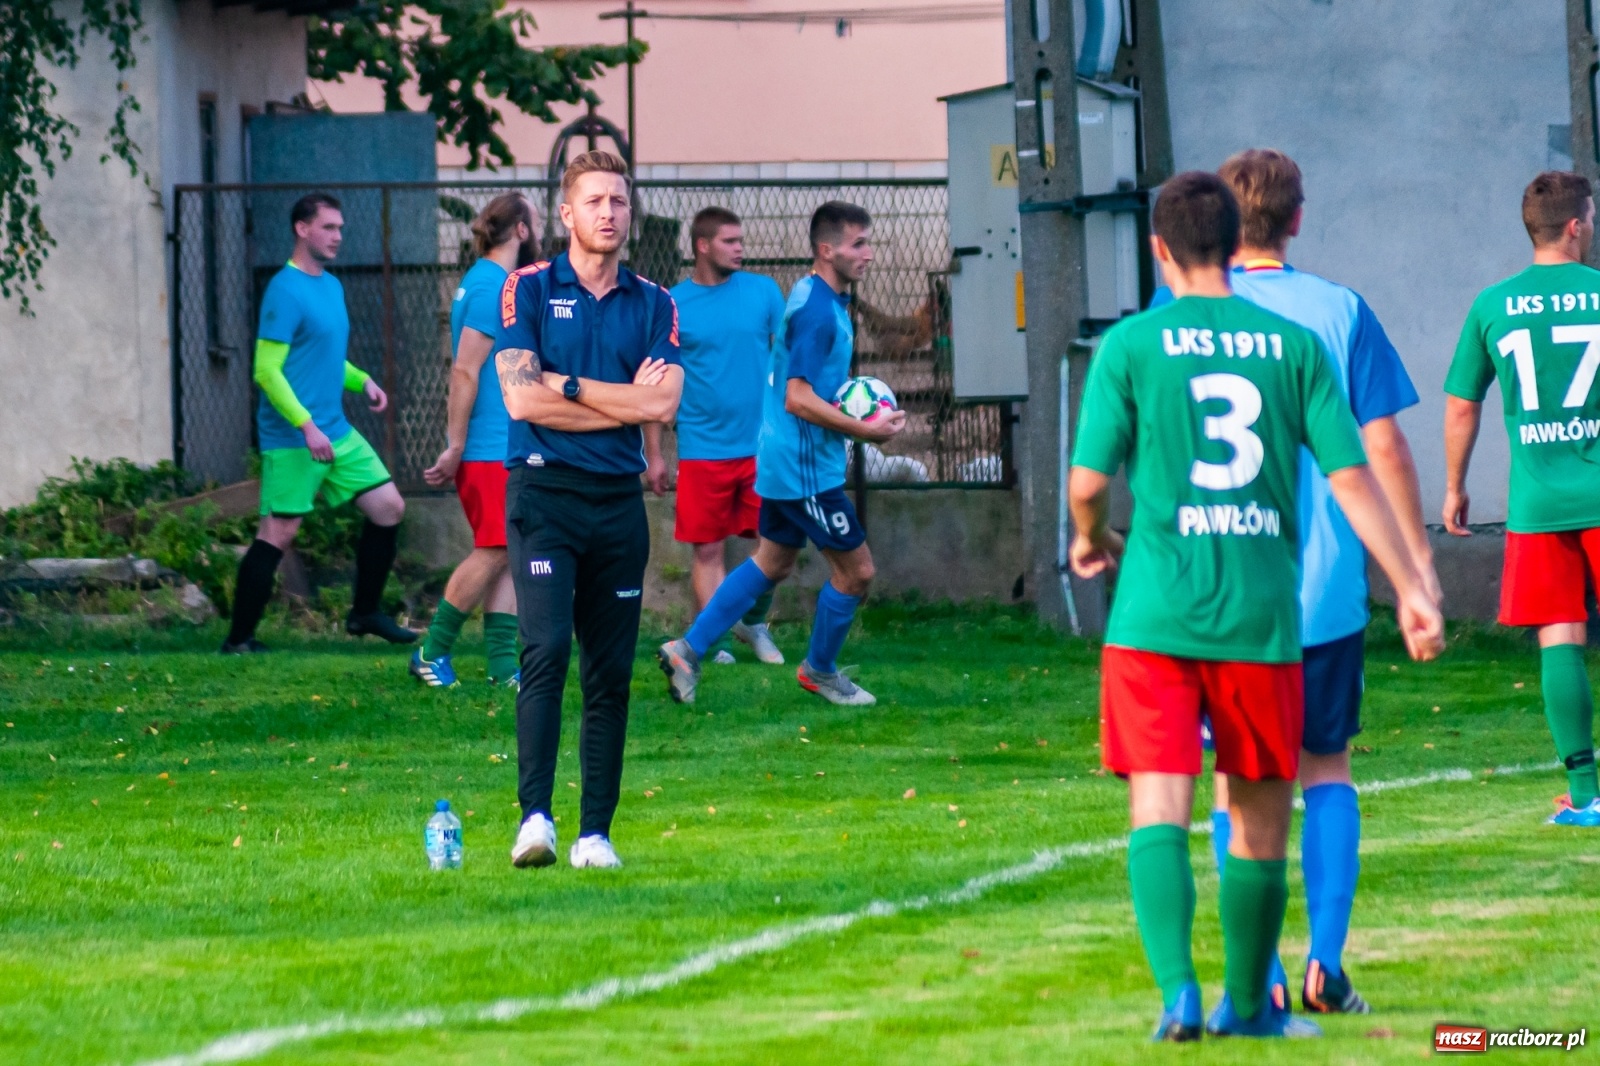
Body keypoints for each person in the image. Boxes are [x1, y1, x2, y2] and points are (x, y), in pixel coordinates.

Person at [1068, 171, 1443, 1041]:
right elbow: (1354, 479)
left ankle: (1177, 998)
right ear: (1235, 239)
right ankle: (1249, 1008)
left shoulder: (1131, 345)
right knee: (1263, 812)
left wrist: (1090, 534)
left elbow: (1087, 484)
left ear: (1159, 249)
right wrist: (1412, 586)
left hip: (1155, 620)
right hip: (1262, 622)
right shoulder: (1295, 347)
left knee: (1160, 803)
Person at [493, 151, 683, 871]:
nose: (609, 212)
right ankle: (535, 820)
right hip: (544, 494)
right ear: (566, 214)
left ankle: (594, 834)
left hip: (617, 504)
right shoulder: (528, 289)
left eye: (620, 201)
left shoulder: (656, 301)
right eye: (595, 201)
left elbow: (663, 403)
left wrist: (565, 387)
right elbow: (520, 398)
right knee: (545, 652)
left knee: (609, 671)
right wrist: (616, 399)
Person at [656, 201, 907, 707]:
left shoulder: (816, 297)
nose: (870, 255)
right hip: (804, 469)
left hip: (779, 458)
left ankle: (687, 649)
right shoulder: (817, 311)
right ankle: (820, 670)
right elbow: (798, 396)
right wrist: (865, 429)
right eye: (858, 244)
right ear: (826, 249)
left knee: (771, 561)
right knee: (857, 572)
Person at [1444, 170, 1600, 828]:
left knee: (1559, 637)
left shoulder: (1492, 305)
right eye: (1589, 218)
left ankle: (1588, 796)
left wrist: (1454, 486)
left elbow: (1460, 406)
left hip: (1538, 503)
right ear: (1573, 226)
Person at [221, 192, 416, 654]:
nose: (337, 237)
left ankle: (364, 613)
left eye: (340, 229)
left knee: (389, 508)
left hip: (336, 430)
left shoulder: (331, 286)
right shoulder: (284, 291)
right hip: (294, 438)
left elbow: (322, 357)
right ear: (302, 229)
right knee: (279, 533)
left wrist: (362, 380)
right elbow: (267, 370)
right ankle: (239, 639)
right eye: (328, 228)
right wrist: (307, 427)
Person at [644, 207, 786, 666]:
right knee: (708, 552)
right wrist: (654, 454)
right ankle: (716, 642)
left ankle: (753, 621)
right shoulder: (673, 304)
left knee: (775, 545)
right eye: (729, 241)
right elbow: (654, 382)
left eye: (740, 239)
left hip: (762, 447)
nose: (740, 247)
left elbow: (789, 363)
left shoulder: (764, 292)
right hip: (703, 449)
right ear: (703, 246)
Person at [411, 193, 538, 689]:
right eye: (539, 222)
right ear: (521, 231)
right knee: (493, 549)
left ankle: (503, 666)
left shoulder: (493, 282)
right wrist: (456, 445)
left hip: (504, 443)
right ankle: (430, 650)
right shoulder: (490, 287)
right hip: (486, 447)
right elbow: (464, 369)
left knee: (508, 548)